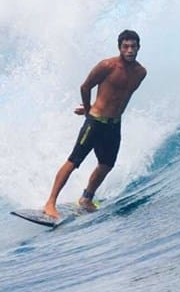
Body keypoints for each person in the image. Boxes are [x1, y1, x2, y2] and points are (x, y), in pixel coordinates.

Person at [43, 30, 147, 220]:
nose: (130, 50)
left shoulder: (141, 73)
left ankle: (86, 198)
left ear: (139, 47)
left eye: (133, 46)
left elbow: (121, 98)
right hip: (95, 121)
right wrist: (89, 109)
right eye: (126, 46)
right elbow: (85, 86)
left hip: (114, 125)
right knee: (74, 161)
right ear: (120, 48)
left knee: (106, 165)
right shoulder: (107, 65)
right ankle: (50, 203)